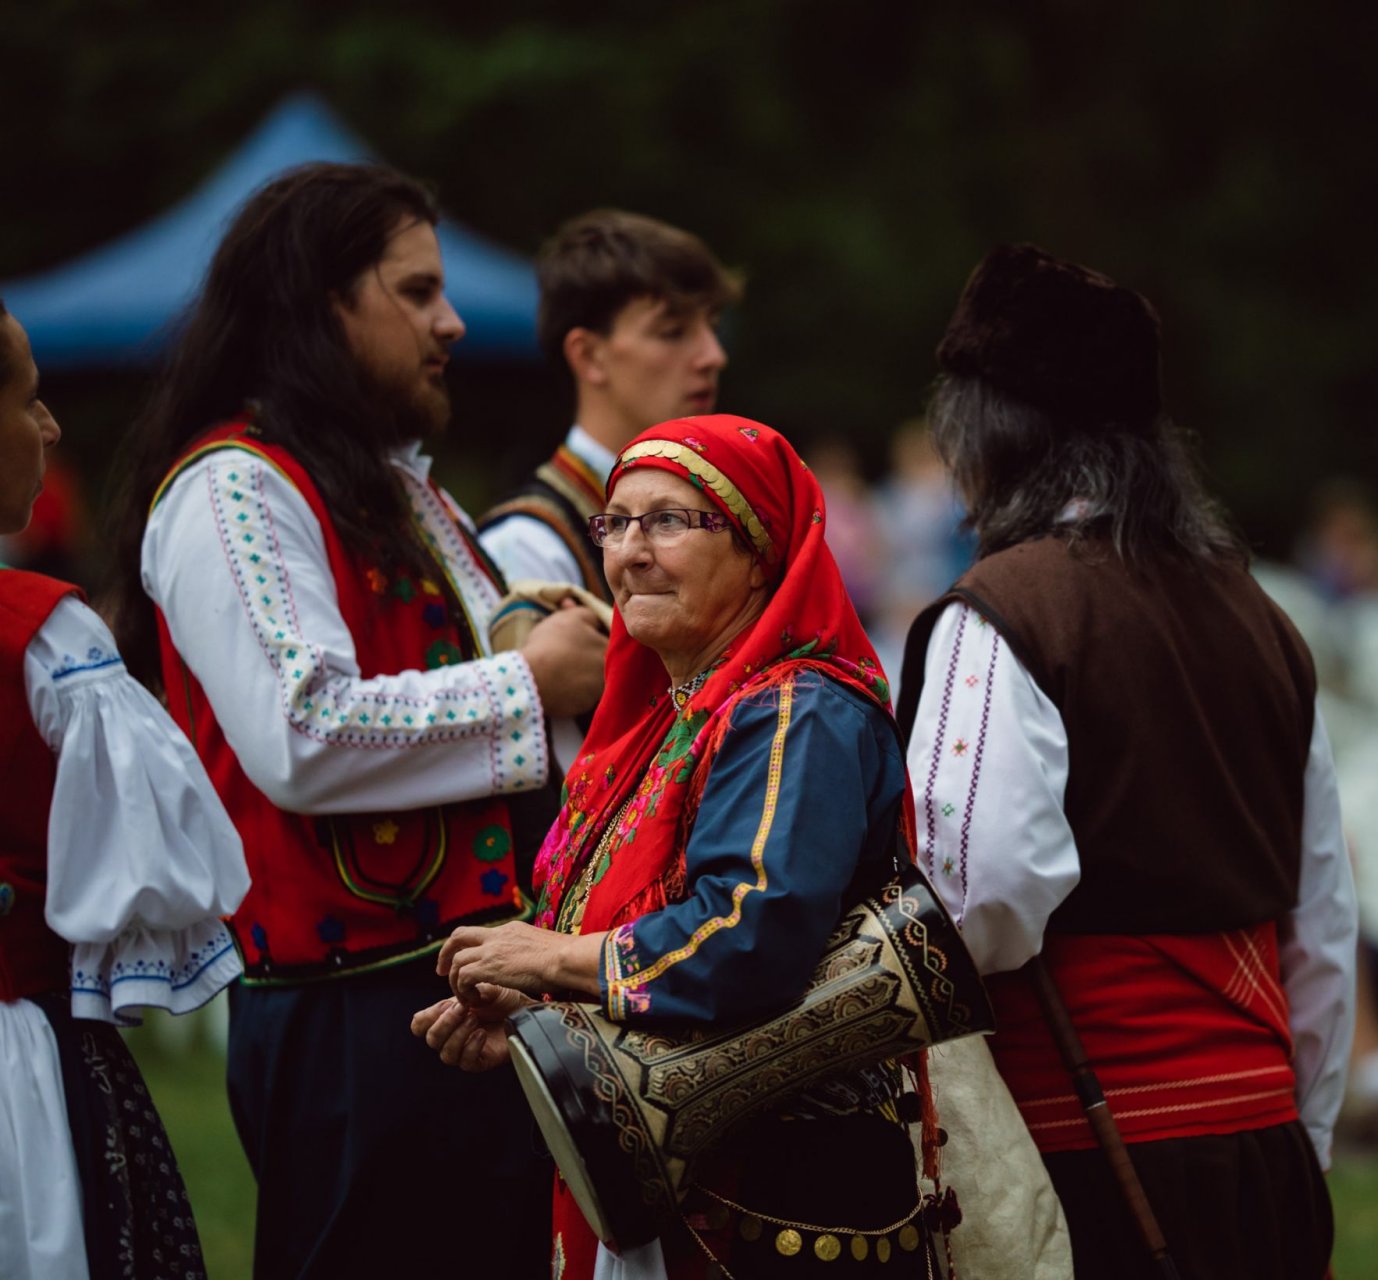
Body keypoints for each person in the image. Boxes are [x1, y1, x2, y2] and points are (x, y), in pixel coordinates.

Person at [104, 163, 607, 1278]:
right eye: (416, 291)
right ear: (321, 305)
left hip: (477, 996)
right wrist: (532, 683)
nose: (452, 321)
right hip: (355, 1026)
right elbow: (304, 730)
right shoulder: (233, 486)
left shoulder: (391, 482)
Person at [897, 244, 1358, 1279]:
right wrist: (1305, 1138)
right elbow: (1321, 917)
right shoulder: (1262, 616)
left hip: (1085, 1163)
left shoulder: (1005, 612)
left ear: (986, 435)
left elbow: (975, 900)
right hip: (1264, 1156)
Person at [413, 415, 924, 1280]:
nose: (631, 552)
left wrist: (551, 959)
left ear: (760, 553)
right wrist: (543, 1021)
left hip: (786, 1197)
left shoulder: (797, 711)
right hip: (686, 1171)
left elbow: (746, 933)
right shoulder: (667, 720)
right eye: (615, 524)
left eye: (670, 522)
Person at [1, 298, 249, 1279]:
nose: (51, 426)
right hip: (19, 1069)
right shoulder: (42, 637)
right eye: (29, 398)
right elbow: (155, 870)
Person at [479, 209, 738, 600]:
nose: (714, 356)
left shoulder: (725, 512)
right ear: (589, 356)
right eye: (673, 332)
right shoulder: (528, 550)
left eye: (712, 327)